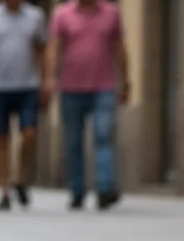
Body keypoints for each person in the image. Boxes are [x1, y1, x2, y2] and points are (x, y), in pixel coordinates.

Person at [47, 0, 130, 211]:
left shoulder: (111, 13)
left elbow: (119, 48)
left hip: (104, 87)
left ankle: (105, 188)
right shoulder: (62, 14)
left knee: (103, 135)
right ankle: (77, 190)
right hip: (71, 88)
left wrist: (125, 81)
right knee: (74, 141)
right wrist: (50, 77)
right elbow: (55, 47)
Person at [0, 0, 49, 211]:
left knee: (29, 133)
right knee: (0, 139)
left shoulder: (36, 16)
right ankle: (4, 189)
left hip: (28, 85)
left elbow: (42, 50)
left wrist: (46, 81)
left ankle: (20, 177)